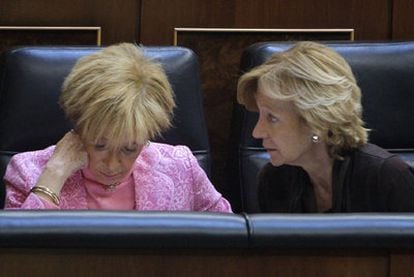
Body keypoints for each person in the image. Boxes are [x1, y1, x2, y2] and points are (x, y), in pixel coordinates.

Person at [4, 43, 232, 212]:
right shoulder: (28, 172)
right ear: (79, 127)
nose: (113, 164)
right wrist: (54, 176)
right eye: (100, 145)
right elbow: (17, 255)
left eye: (129, 148)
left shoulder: (180, 166)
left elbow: (224, 239)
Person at [237, 41, 414, 213]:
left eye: (272, 118)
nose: (257, 131)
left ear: (316, 121)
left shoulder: (389, 179)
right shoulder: (274, 182)